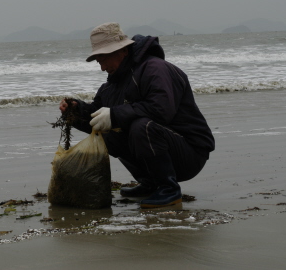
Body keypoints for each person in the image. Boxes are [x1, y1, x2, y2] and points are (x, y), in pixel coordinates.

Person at [59, 22, 215, 209]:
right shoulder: (111, 86)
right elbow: (97, 119)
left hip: (190, 152)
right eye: (99, 62)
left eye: (103, 59)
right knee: (110, 135)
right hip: (163, 146)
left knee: (141, 126)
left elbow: (161, 109)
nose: (102, 68)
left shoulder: (156, 69)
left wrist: (115, 115)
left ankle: (169, 189)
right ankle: (150, 183)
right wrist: (75, 111)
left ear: (122, 51)